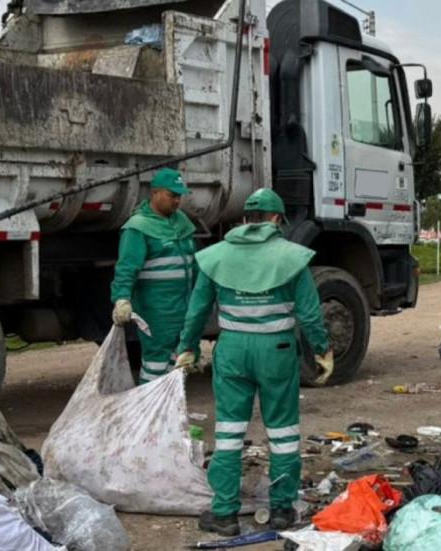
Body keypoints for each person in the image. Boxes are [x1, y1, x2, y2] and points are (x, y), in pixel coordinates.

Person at [174, 188, 333, 535]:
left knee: (230, 433)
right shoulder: (291, 257)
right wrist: (322, 350)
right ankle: (280, 510)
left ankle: (225, 514)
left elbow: (198, 308)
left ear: (245, 218)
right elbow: (308, 313)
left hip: (231, 350)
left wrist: (187, 347)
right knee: (283, 433)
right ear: (277, 219)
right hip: (276, 351)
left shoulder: (217, 256)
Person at [110, 168, 197, 384]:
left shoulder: (182, 222)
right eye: (172, 195)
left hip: (183, 306)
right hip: (157, 310)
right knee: (156, 364)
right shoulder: (138, 228)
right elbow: (126, 268)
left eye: (179, 196)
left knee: (179, 362)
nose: (177, 201)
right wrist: (122, 298)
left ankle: (170, 413)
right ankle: (149, 414)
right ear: (155, 193)